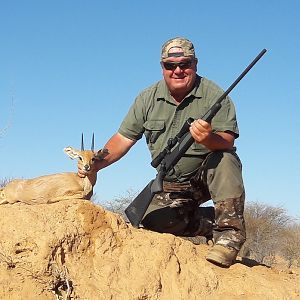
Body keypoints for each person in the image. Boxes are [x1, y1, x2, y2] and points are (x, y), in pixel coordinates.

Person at [78, 37, 246, 268]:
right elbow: (123, 139)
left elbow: (227, 140)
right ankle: (209, 222)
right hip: (171, 183)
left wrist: (208, 138)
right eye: (170, 66)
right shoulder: (147, 98)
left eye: (184, 64)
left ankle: (229, 235)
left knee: (226, 159)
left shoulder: (215, 95)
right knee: (149, 221)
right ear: (163, 67)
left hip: (206, 178)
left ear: (195, 64)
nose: (178, 70)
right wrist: (96, 163)